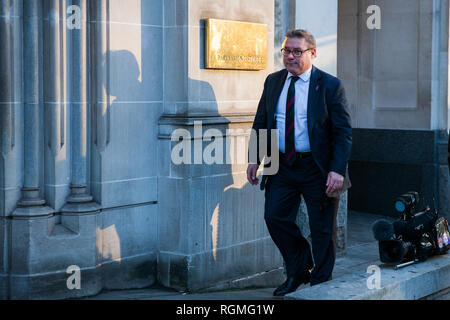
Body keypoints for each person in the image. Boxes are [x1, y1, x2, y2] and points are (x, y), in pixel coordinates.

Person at [247, 29, 352, 296]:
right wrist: (253, 159)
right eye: (286, 51)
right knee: (275, 217)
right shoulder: (273, 81)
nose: (290, 57)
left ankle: (320, 281)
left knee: (322, 228)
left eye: (297, 51)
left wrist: (337, 169)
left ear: (312, 53)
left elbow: (343, 133)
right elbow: (261, 122)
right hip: (280, 164)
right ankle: (298, 269)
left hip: (317, 168)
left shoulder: (330, 85)